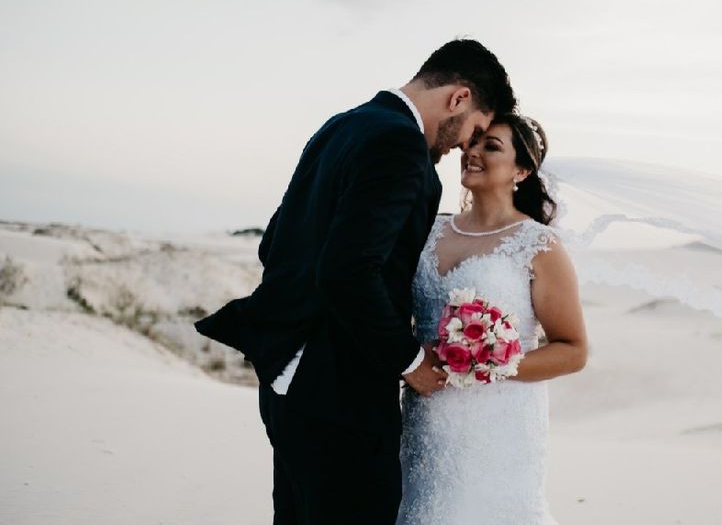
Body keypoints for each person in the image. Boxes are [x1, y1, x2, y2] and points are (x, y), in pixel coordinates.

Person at [194, 39, 516, 524]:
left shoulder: (342, 125)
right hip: (337, 391)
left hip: (287, 379)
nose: (459, 148)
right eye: (471, 130)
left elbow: (275, 240)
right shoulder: (400, 147)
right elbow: (347, 272)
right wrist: (408, 360)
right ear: (458, 98)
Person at [398, 114, 588, 524]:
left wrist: (491, 362)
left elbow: (573, 350)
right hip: (426, 419)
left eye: (491, 146)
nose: (472, 152)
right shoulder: (428, 231)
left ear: (521, 170)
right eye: (474, 142)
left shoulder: (538, 244)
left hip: (498, 428)